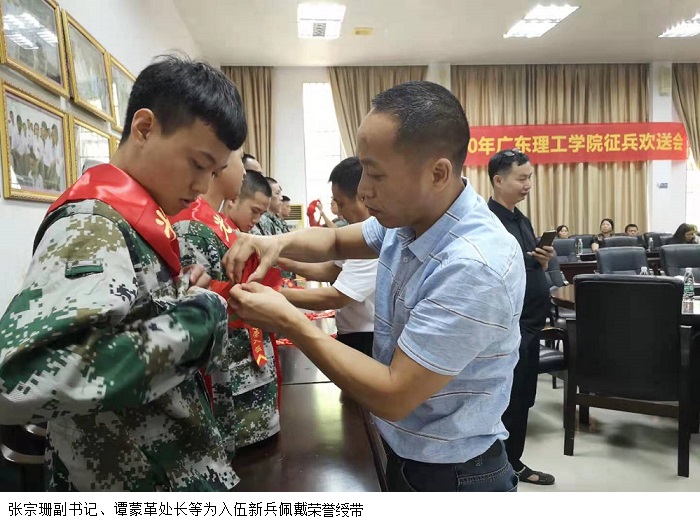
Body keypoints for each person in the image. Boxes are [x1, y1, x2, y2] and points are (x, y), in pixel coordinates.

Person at [223, 80, 526, 492]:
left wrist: (289, 320)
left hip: (452, 475)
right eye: (363, 169)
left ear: (437, 173)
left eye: (376, 174)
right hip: (405, 449)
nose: (364, 190)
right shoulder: (411, 219)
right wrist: (274, 243)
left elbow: (393, 394)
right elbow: (334, 241)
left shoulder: (473, 266)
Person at [0, 55, 247, 491]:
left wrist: (179, 294)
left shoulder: (138, 220)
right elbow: (21, 379)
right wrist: (201, 317)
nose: (202, 188)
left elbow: (121, 319)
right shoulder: (92, 224)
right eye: (197, 164)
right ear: (145, 128)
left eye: (212, 172)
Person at [171, 151, 281, 452]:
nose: (244, 171)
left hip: (250, 377)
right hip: (231, 389)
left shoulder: (220, 223)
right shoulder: (192, 227)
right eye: (235, 154)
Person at [486, 149, 556, 486]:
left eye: (530, 177)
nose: (528, 184)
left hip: (531, 325)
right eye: (522, 178)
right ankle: (498, 466)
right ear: (499, 180)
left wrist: (543, 259)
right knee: (506, 400)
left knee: (523, 398)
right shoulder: (488, 222)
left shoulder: (521, 219)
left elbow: (527, 264)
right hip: (508, 328)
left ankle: (513, 461)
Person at [279, 157, 376, 356]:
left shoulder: (373, 239)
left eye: (341, 203)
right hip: (353, 330)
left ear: (362, 197)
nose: (339, 213)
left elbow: (335, 298)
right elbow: (331, 270)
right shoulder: (357, 232)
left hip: (367, 336)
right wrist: (285, 262)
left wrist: (275, 294)